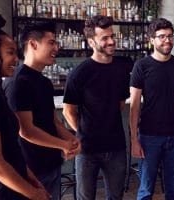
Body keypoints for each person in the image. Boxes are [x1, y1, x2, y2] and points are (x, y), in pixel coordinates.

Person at [3, 22, 81, 200]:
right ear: (33, 44)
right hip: (31, 168)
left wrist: (71, 139)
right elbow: (26, 131)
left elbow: (53, 121)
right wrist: (63, 145)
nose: (56, 47)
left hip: (52, 163)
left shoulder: (44, 82)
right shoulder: (18, 82)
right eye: (51, 42)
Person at [62, 15, 130, 200]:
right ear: (91, 42)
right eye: (105, 38)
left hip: (116, 146)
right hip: (87, 148)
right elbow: (68, 111)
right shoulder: (79, 73)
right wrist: (85, 131)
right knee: (86, 197)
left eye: (112, 36)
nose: (111, 41)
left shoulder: (121, 69)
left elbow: (120, 104)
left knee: (116, 196)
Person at [130, 18, 174, 200]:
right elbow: (134, 107)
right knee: (146, 189)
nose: (168, 40)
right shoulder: (141, 66)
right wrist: (134, 139)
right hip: (149, 136)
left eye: (170, 36)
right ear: (151, 39)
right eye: (162, 36)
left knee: (173, 190)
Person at [0, 14, 50, 200]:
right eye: (10, 52)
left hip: (16, 186)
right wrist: (33, 194)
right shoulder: (14, 84)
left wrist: (30, 178)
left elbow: (10, 148)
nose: (16, 59)